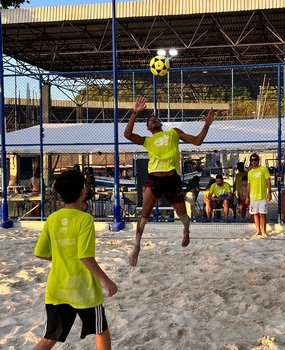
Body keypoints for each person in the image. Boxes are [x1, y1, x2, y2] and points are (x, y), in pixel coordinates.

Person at [124, 96, 215, 266]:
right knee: (144, 215)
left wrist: (207, 124)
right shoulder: (148, 140)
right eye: (150, 120)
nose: (153, 120)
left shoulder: (173, 132)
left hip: (172, 179)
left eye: (155, 119)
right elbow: (127, 134)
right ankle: (136, 246)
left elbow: (197, 141)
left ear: (159, 123)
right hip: (154, 179)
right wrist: (134, 113)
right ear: (148, 127)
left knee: (183, 216)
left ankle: (186, 230)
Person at [33, 170, 117, 350]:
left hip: (57, 289)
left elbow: (40, 252)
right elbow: (85, 256)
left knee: (50, 337)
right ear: (82, 193)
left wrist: (63, 255)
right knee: (100, 330)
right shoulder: (85, 219)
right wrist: (105, 279)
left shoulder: (52, 219)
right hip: (84, 290)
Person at [245, 153, 272, 237]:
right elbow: (248, 185)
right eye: (252, 160)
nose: (254, 162)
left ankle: (264, 231)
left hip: (262, 196)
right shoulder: (250, 173)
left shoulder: (263, 169)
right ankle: (258, 230)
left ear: (258, 160)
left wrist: (269, 192)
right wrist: (247, 196)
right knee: (255, 214)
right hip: (253, 197)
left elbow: (268, 181)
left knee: (263, 214)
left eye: (255, 160)